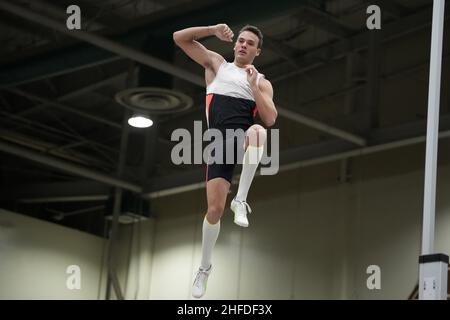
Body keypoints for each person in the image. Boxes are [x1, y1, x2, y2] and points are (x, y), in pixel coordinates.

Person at [173, 23, 278, 298]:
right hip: (219, 143)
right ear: (234, 45)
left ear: (258, 51)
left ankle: (241, 199)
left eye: (250, 43)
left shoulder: (262, 81)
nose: (243, 45)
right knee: (214, 211)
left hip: (242, 136)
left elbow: (269, 118)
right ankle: (204, 268)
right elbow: (179, 38)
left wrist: (253, 87)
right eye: (240, 41)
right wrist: (211, 30)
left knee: (259, 132)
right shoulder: (217, 65)